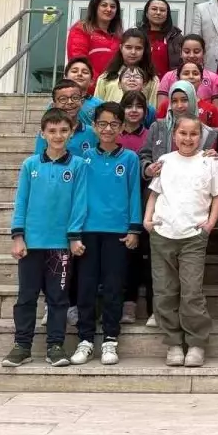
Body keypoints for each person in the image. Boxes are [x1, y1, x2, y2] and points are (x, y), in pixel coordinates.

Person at [2, 108, 88, 369]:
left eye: (63, 130)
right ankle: (22, 346)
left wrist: (74, 237)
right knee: (26, 297)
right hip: (32, 244)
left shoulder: (77, 165)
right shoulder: (30, 165)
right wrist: (18, 237)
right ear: (42, 134)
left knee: (58, 298)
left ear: (71, 133)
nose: (58, 135)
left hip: (60, 246)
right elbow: (21, 201)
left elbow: (80, 203)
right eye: (52, 131)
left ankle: (55, 346)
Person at [145, 115, 218, 367]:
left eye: (193, 134)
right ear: (174, 135)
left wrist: (210, 224)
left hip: (193, 237)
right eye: (183, 133)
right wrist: (147, 220)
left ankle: (197, 343)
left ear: (201, 136)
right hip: (162, 234)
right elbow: (155, 193)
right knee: (165, 292)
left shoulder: (209, 161)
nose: (188, 138)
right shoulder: (166, 160)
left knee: (191, 292)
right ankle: (173, 344)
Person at [70, 102, 142, 367]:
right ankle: (85, 340)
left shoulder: (130, 158)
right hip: (88, 230)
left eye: (113, 124)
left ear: (122, 127)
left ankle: (110, 339)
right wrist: (74, 232)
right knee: (86, 287)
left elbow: (134, 194)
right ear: (94, 126)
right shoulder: (84, 159)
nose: (107, 129)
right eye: (102, 124)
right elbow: (78, 196)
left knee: (113, 287)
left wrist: (134, 228)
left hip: (118, 232)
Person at [116, 90, 152, 326]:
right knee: (123, 257)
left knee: (142, 256)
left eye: (139, 106)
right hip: (118, 203)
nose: (134, 110)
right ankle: (122, 303)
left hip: (145, 200)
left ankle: (142, 306)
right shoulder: (113, 135)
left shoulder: (150, 135)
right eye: (129, 106)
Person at [140, 81, 218, 176]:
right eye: (174, 101)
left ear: (192, 100)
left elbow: (212, 166)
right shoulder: (158, 127)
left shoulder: (207, 133)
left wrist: (214, 157)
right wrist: (147, 169)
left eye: (184, 100)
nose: (179, 105)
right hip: (161, 183)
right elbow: (144, 156)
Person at [66, 0, 123, 89]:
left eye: (113, 6)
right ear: (95, 7)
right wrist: (100, 85)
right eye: (104, 5)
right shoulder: (81, 29)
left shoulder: (119, 36)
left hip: (113, 89)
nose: (109, 9)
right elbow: (79, 61)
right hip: (89, 90)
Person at [96, 28, 159, 108]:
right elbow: (96, 108)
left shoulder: (152, 80)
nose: (133, 52)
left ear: (144, 50)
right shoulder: (106, 77)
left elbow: (153, 110)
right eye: (128, 47)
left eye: (138, 48)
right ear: (121, 48)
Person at [36, 79, 97, 158]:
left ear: (82, 102)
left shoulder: (92, 132)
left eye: (75, 98)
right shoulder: (48, 132)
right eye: (63, 99)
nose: (70, 102)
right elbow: (39, 160)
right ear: (54, 105)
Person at [157, 60, 218, 128]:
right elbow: (159, 130)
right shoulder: (166, 106)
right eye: (186, 73)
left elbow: (214, 134)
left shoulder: (211, 109)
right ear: (178, 79)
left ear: (201, 80)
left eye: (195, 74)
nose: (191, 76)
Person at [157, 34, 218, 103]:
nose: (191, 55)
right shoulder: (168, 77)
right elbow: (162, 107)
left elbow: (216, 109)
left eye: (196, 52)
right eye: (187, 52)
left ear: (203, 52)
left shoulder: (213, 78)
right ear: (180, 53)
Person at [141, 0, 183, 79]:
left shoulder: (176, 36)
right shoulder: (138, 35)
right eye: (154, 9)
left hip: (169, 82)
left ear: (167, 14)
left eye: (162, 10)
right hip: (142, 82)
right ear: (146, 13)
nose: (158, 13)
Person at [62, 57, 102, 126]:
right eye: (74, 71)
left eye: (85, 72)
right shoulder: (56, 103)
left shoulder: (100, 105)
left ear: (92, 81)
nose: (79, 74)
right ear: (65, 78)